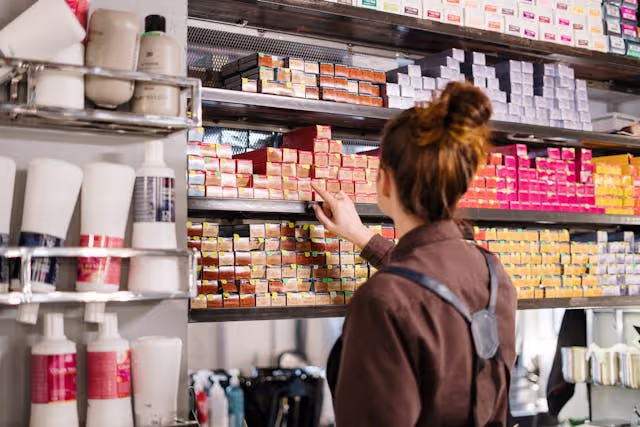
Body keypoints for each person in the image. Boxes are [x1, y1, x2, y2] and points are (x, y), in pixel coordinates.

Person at [311, 81, 517, 427]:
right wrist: (361, 236)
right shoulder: (493, 274)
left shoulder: (381, 301)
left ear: (384, 180)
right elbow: (428, 285)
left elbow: (414, 294)